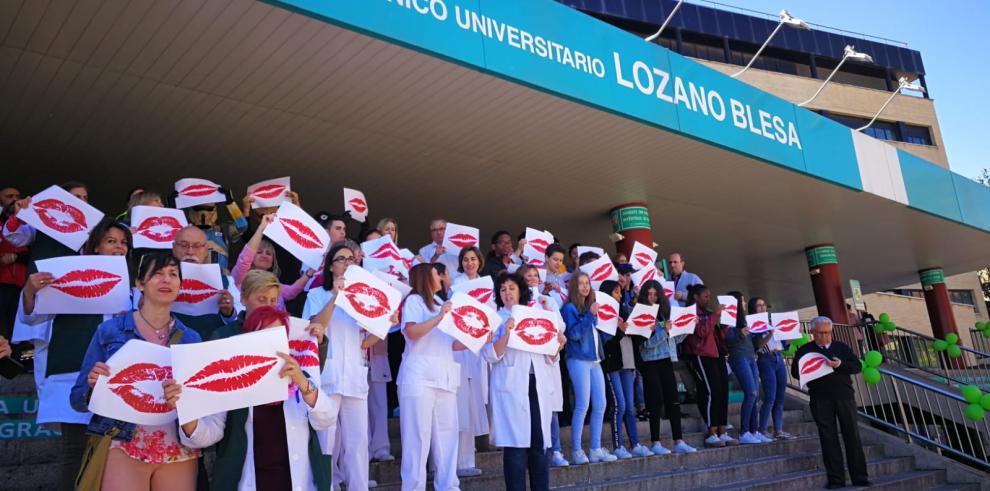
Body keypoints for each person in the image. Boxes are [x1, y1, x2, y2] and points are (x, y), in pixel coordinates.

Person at [17, 217, 132, 490]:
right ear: (95, 248)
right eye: (111, 241)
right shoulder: (67, 276)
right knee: (75, 451)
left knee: (113, 455)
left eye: (124, 243)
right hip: (72, 376)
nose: (119, 248)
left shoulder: (133, 287)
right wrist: (31, 290)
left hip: (116, 381)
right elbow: (33, 318)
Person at [70, 253, 201, 490]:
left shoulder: (192, 338)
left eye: (173, 274)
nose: (166, 280)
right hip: (121, 441)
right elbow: (78, 399)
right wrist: (93, 388)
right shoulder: (110, 331)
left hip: (177, 448)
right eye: (158, 274)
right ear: (139, 284)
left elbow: (200, 403)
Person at [173, 304, 334, 491]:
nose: (270, 344)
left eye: (277, 336)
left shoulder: (299, 377)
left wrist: (304, 383)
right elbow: (211, 433)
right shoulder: (234, 382)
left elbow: (326, 419)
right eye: (262, 337)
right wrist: (185, 409)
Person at [303, 244, 394, 491]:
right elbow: (313, 327)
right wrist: (335, 296)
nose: (346, 263)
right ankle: (328, 484)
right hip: (327, 376)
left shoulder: (363, 300)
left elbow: (365, 341)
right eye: (340, 259)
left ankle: (358, 486)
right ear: (330, 265)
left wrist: (385, 324)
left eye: (351, 259)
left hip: (354, 375)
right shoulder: (316, 296)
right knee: (327, 439)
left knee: (357, 441)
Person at [483, 273, 566, 491]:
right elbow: (490, 355)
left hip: (536, 386)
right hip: (511, 388)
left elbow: (550, 357)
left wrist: (558, 344)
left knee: (538, 445)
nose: (507, 293)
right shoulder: (495, 318)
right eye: (502, 289)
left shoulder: (538, 315)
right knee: (515, 448)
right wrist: (507, 334)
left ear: (520, 290)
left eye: (511, 288)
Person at [398, 263, 466, 491]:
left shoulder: (440, 303)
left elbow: (450, 343)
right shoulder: (414, 301)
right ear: (426, 277)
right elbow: (412, 332)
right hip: (419, 378)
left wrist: (475, 339)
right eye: (438, 273)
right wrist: (439, 317)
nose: (442, 276)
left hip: (445, 377)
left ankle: (448, 486)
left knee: (447, 438)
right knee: (417, 438)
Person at [792, 316, 870, 489]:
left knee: (852, 436)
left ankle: (860, 477)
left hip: (844, 397)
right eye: (821, 333)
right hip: (820, 399)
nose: (825, 336)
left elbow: (856, 366)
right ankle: (836, 480)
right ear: (812, 332)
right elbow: (796, 373)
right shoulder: (804, 350)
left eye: (828, 332)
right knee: (828, 439)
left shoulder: (841, 347)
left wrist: (840, 364)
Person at [633, 280, 696, 455]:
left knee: (673, 400)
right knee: (655, 401)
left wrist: (687, 327)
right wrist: (664, 331)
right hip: (650, 362)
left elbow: (674, 339)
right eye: (649, 294)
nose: (653, 297)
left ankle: (679, 440)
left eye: (655, 294)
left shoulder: (664, 313)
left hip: (668, 359)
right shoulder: (641, 314)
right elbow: (645, 345)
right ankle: (656, 442)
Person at [562, 272, 617, 464]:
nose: (585, 287)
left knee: (601, 404)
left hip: (595, 360)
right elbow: (574, 334)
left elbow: (595, 338)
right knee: (582, 404)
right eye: (581, 284)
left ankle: (595, 448)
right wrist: (589, 316)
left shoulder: (589, 308)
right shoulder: (569, 308)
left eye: (587, 283)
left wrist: (611, 327)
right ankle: (577, 450)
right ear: (574, 287)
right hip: (577, 359)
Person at [447, 250, 489, 478]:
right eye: (465, 259)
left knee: (473, 404)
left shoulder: (488, 286)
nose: (469, 262)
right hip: (460, 350)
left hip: (479, 351)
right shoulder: (456, 285)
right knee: (460, 404)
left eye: (473, 259)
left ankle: (467, 459)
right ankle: (456, 461)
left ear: (479, 261)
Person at [599, 280, 651, 459]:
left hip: (629, 364)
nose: (620, 295)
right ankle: (618, 446)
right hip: (613, 365)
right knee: (619, 405)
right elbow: (605, 343)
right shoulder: (602, 314)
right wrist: (620, 330)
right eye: (616, 292)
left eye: (620, 292)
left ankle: (635, 444)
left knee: (630, 406)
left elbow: (634, 339)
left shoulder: (625, 312)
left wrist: (645, 332)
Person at [681, 284, 736, 447]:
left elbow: (717, 335)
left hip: (716, 354)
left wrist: (725, 322)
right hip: (701, 355)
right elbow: (701, 332)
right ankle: (711, 432)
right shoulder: (690, 313)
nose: (708, 299)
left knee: (723, 391)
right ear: (696, 297)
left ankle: (722, 430)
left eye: (709, 296)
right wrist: (716, 315)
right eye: (705, 296)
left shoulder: (708, 313)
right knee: (712, 392)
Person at [169, 225, 239, 339]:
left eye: (197, 246)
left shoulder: (226, 281)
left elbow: (239, 319)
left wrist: (228, 312)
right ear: (174, 248)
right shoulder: (158, 279)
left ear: (206, 250)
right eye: (184, 245)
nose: (190, 251)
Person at [231, 214, 313, 310]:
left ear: (272, 262)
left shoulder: (274, 282)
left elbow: (291, 292)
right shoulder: (241, 278)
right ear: (252, 256)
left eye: (269, 253)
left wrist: (310, 271)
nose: (264, 255)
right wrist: (261, 229)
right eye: (259, 252)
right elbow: (244, 260)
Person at [724, 291, 766, 445]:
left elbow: (755, 345)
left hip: (750, 358)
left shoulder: (746, 320)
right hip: (739, 358)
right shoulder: (728, 320)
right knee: (751, 393)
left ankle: (754, 431)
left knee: (755, 396)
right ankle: (744, 432)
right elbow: (728, 340)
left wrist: (768, 334)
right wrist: (740, 334)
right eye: (741, 301)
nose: (744, 303)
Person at [750, 297, 795, 441]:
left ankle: (778, 430)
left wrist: (792, 334)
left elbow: (784, 344)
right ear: (753, 309)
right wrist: (770, 332)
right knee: (770, 397)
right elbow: (757, 345)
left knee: (780, 397)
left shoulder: (772, 321)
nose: (763, 308)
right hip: (765, 358)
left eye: (764, 305)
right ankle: (761, 430)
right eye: (759, 306)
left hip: (778, 357)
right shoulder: (753, 324)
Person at [0, 186, 26, 341]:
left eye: (17, 195)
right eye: (9, 196)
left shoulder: (27, 223)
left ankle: (15, 364)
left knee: (17, 332)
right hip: (1, 283)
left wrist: (16, 257)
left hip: (22, 286)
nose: (14, 199)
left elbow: (34, 252)